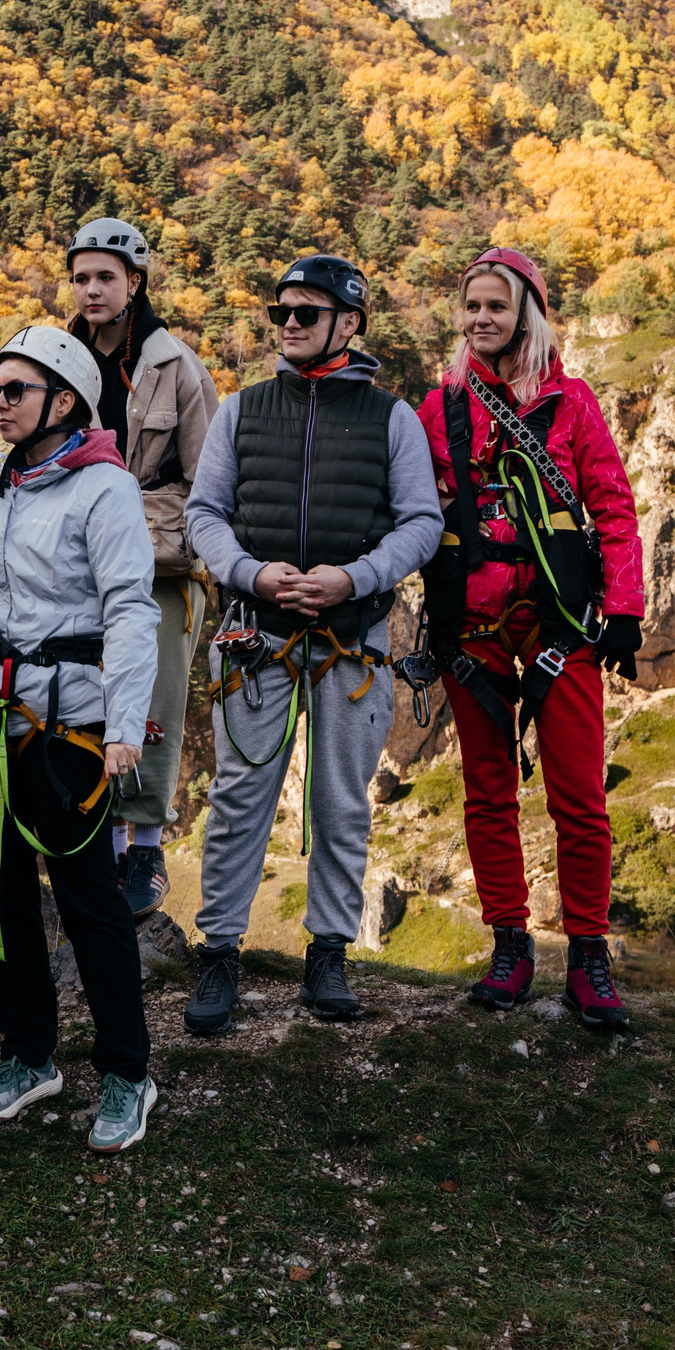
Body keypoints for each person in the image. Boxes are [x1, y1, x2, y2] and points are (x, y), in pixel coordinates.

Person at [180, 256, 444, 1035]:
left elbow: (421, 522)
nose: (288, 323)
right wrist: (253, 574)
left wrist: (353, 578)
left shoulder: (391, 418)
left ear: (350, 322)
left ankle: (327, 951)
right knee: (238, 798)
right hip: (255, 631)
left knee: (338, 801)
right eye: (281, 313)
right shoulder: (242, 410)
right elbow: (205, 513)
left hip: (351, 635)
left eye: (306, 312)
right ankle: (219, 951)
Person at [0, 326, 163, 1152]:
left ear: (62, 402)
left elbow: (131, 608)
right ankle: (28, 1054)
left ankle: (126, 1072)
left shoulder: (103, 490)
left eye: (12, 392)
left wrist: (124, 726)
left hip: (65, 722)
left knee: (87, 899)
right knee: (1, 894)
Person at [416, 248, 644, 1029]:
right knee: (488, 790)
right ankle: (509, 944)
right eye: (472, 306)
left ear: (527, 315)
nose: (481, 320)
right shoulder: (439, 406)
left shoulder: (571, 404)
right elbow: (412, 505)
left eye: (496, 307)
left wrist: (625, 607)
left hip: (559, 619)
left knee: (578, 795)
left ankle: (588, 955)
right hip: (472, 621)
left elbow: (612, 505)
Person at [64, 218, 219, 920]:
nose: (92, 289)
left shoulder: (173, 365)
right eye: (81, 277)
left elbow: (210, 478)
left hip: (161, 564)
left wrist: (139, 517)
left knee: (151, 703)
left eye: (105, 277)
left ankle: (147, 848)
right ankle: (97, 842)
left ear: (134, 282)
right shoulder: (57, 363)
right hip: (75, 562)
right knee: (81, 699)